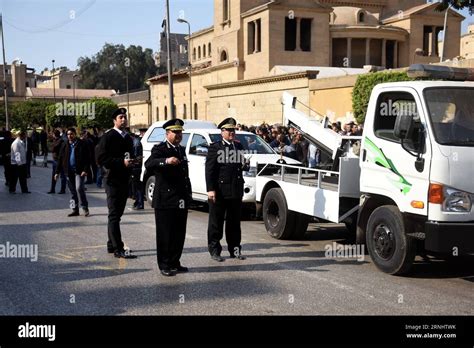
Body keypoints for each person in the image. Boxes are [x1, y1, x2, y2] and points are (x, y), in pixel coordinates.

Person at [145, 119, 192, 276]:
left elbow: (185, 175)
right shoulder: (160, 149)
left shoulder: (181, 149)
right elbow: (149, 164)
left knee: (179, 232)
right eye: (176, 132)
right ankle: (164, 264)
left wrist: (188, 195)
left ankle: (175, 261)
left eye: (180, 132)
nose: (179, 135)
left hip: (180, 198)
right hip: (165, 199)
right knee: (165, 233)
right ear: (167, 133)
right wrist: (166, 161)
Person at [96, 108, 137, 259]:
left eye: (125, 117)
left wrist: (133, 161)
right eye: (120, 117)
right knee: (114, 215)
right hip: (112, 180)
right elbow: (101, 159)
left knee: (117, 215)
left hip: (124, 179)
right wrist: (121, 162)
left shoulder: (128, 137)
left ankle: (110, 244)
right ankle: (118, 248)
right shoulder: (108, 136)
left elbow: (129, 155)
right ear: (114, 120)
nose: (123, 120)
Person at [205, 117, 247, 262]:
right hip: (220, 191)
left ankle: (235, 250)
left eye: (233, 130)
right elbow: (210, 170)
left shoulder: (238, 146)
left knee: (234, 224)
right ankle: (215, 251)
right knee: (216, 223)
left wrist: (244, 164)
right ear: (222, 131)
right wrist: (210, 189)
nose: (232, 132)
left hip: (235, 190)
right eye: (229, 130)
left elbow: (238, 168)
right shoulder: (215, 147)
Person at [55, 128, 90, 217]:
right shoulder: (65, 145)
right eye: (68, 134)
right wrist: (57, 172)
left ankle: (85, 207)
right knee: (72, 192)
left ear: (75, 134)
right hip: (68, 172)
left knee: (79, 188)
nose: (70, 136)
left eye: (71, 134)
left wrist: (85, 170)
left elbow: (88, 157)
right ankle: (74, 210)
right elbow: (60, 159)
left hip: (79, 171)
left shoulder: (82, 144)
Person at [48, 130, 67, 194]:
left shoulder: (59, 141)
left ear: (54, 134)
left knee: (61, 175)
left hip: (59, 160)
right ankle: (53, 189)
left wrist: (51, 144)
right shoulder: (57, 140)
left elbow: (52, 149)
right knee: (56, 175)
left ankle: (62, 189)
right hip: (56, 160)